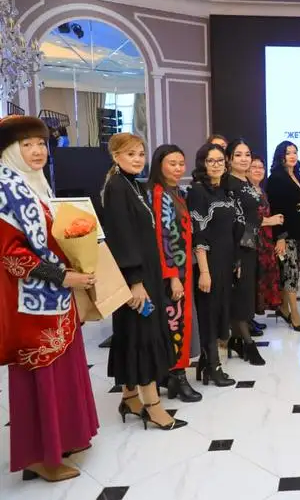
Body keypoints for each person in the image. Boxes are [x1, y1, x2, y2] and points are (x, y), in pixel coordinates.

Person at [0, 115, 98, 482]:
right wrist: (64, 276)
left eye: (41, 143)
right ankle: (41, 456)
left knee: (64, 371)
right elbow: (10, 255)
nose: (37, 151)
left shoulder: (33, 183)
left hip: (55, 298)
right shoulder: (6, 189)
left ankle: (64, 441)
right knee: (40, 376)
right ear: (10, 151)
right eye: (26, 145)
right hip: (31, 304)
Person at [102, 132, 186, 431]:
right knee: (143, 334)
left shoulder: (133, 185)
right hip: (134, 277)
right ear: (116, 156)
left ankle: (129, 398)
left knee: (133, 334)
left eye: (140, 153)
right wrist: (135, 281)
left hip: (146, 273)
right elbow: (122, 237)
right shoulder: (116, 187)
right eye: (130, 154)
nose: (138, 159)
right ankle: (153, 406)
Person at [148, 145, 201, 403]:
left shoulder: (176, 192)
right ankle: (177, 377)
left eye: (181, 163)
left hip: (183, 269)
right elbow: (163, 238)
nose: (178, 168)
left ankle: (173, 376)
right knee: (175, 322)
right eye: (172, 163)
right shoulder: (160, 195)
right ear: (159, 165)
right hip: (173, 273)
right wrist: (172, 276)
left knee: (181, 321)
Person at [187, 143, 237, 387]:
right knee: (208, 312)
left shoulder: (224, 189)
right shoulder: (198, 191)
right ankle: (212, 366)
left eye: (220, 160)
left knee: (219, 312)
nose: (216, 165)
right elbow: (199, 233)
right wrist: (204, 271)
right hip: (208, 262)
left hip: (225, 261)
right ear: (202, 164)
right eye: (211, 161)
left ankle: (209, 362)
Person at [223, 139, 266, 366]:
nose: (244, 159)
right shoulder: (228, 183)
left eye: (247, 154)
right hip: (236, 247)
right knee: (239, 296)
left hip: (250, 243)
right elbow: (230, 222)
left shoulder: (246, 181)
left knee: (245, 294)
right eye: (238, 155)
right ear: (229, 159)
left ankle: (237, 340)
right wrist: (235, 256)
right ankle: (248, 345)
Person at [267, 141, 300, 332]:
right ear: (280, 156)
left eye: (295, 152)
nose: (292, 156)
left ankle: (283, 308)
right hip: (285, 234)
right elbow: (275, 208)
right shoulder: (276, 178)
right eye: (288, 152)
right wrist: (280, 237)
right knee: (291, 273)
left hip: (297, 232)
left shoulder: (296, 175)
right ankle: (295, 314)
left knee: (289, 272)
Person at [249, 155, 284, 317]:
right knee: (253, 280)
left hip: (266, 241)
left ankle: (252, 318)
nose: (258, 170)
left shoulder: (261, 190)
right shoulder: (246, 191)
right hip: (252, 241)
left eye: (261, 167)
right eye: (254, 167)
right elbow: (248, 218)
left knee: (263, 279)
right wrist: (270, 220)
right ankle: (247, 321)